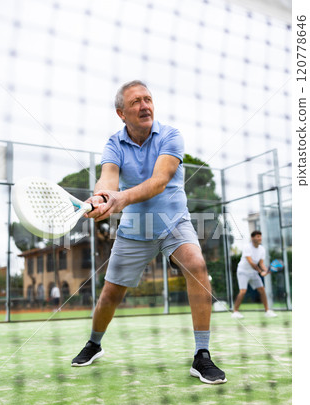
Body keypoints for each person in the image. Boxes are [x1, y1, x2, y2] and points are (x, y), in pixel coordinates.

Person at [71, 80, 226, 384]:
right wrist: (100, 198)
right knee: (110, 294)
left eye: (148, 99)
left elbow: (159, 181)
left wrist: (120, 198)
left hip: (174, 223)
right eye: (136, 102)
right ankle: (94, 343)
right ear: (121, 113)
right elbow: (107, 179)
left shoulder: (170, 135)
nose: (144, 106)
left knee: (196, 266)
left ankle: (202, 355)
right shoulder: (114, 144)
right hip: (133, 230)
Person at [232, 230, 277, 319]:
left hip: (253, 273)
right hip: (243, 271)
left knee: (262, 290)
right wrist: (261, 272)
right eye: (257, 236)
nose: (260, 238)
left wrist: (267, 270)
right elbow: (251, 263)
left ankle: (267, 311)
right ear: (252, 238)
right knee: (243, 291)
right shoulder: (247, 247)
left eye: (260, 236)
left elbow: (261, 264)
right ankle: (235, 312)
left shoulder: (262, 249)